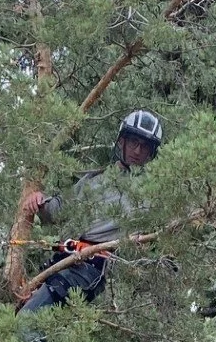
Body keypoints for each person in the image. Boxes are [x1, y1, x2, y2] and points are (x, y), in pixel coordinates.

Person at [17, 109, 162, 318]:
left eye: (145, 146)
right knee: (21, 321)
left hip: (89, 272)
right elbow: (58, 210)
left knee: (26, 325)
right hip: (62, 263)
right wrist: (39, 201)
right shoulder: (94, 181)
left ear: (151, 153)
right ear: (122, 141)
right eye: (133, 142)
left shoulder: (151, 191)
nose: (137, 151)